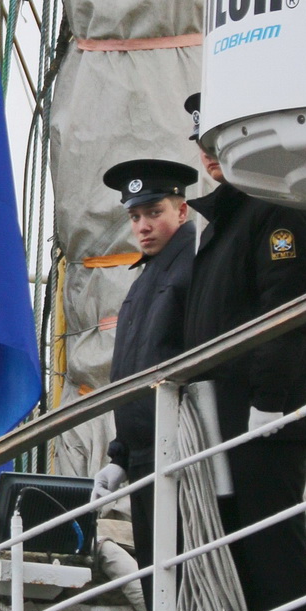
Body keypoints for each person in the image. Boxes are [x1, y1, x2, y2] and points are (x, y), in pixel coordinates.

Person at [181, 95, 306, 611]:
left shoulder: (277, 208)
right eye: (204, 145)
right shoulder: (226, 221)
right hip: (226, 418)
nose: (209, 155)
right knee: (241, 547)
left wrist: (269, 402)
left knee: (271, 545)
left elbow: (287, 307)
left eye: (219, 142)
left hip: (265, 418)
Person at [91, 158, 198, 586]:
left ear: (182, 210)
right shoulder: (145, 278)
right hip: (143, 456)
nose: (143, 226)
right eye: (135, 216)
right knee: (158, 578)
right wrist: (120, 456)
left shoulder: (194, 266)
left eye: (155, 212)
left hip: (179, 448)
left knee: (180, 576)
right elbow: (132, 374)